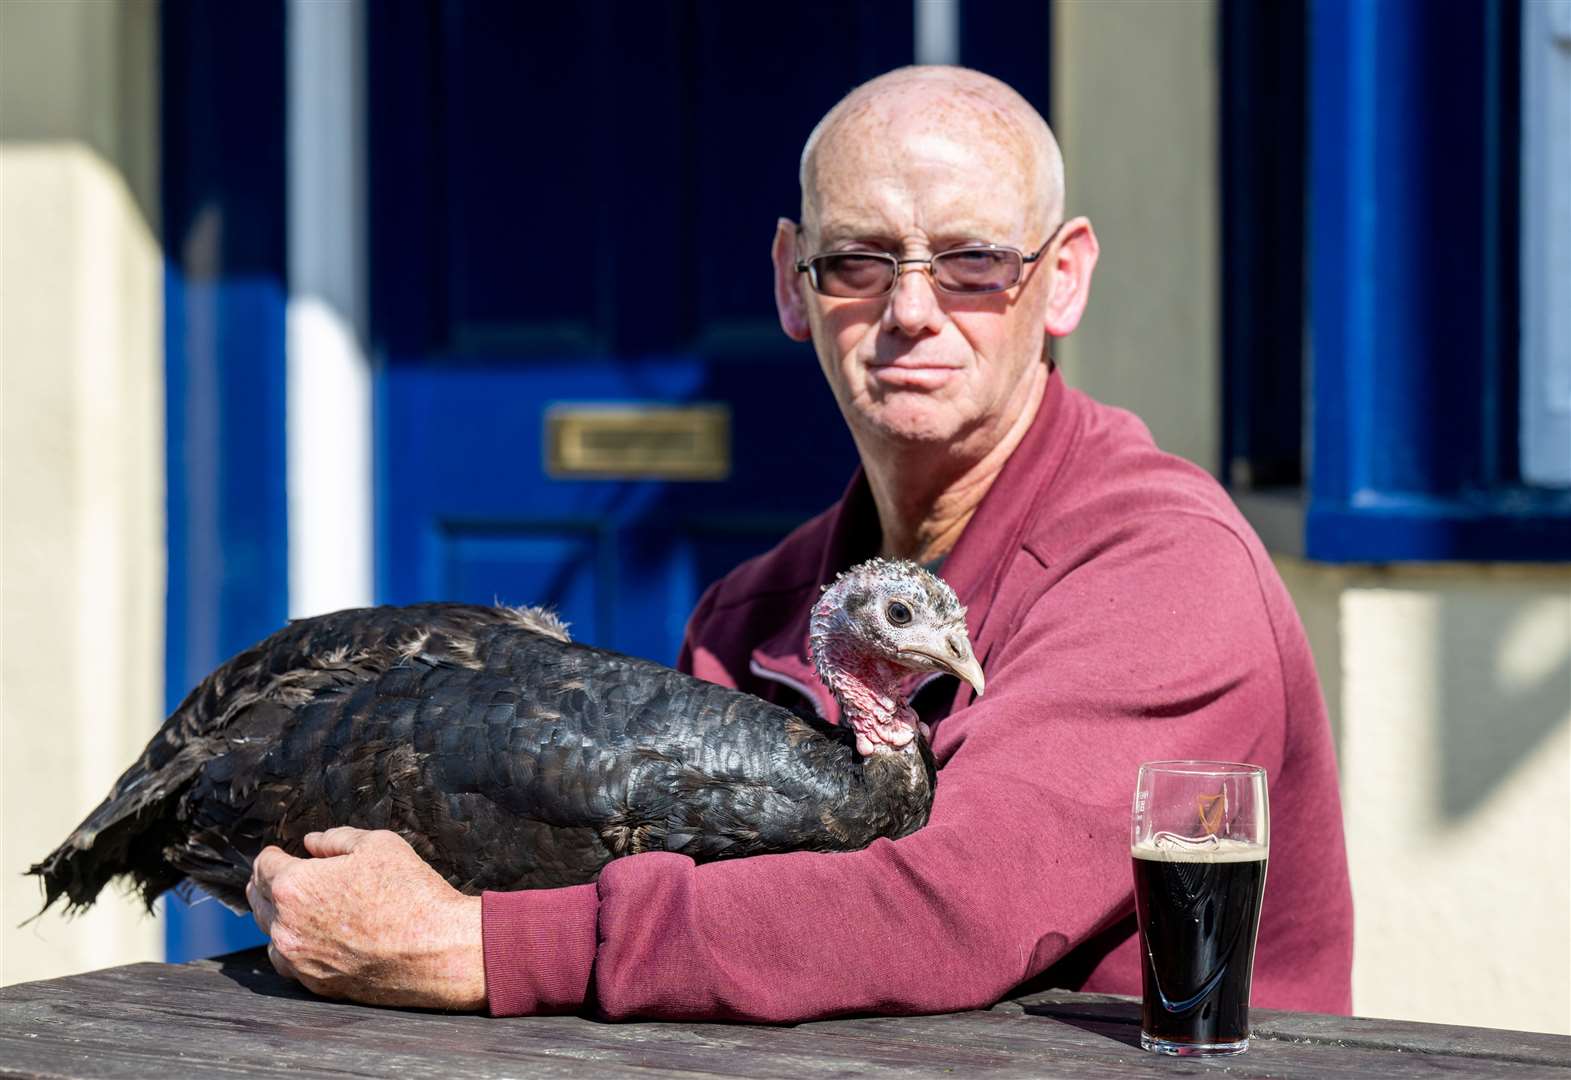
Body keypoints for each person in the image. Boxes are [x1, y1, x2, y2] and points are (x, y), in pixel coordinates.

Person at [247, 65, 1354, 1019]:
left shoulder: (1161, 567)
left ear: (1057, 278)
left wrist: (480, 947)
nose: (911, 310)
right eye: (859, 262)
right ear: (790, 281)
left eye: (972, 262)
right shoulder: (753, 615)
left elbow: (954, 906)